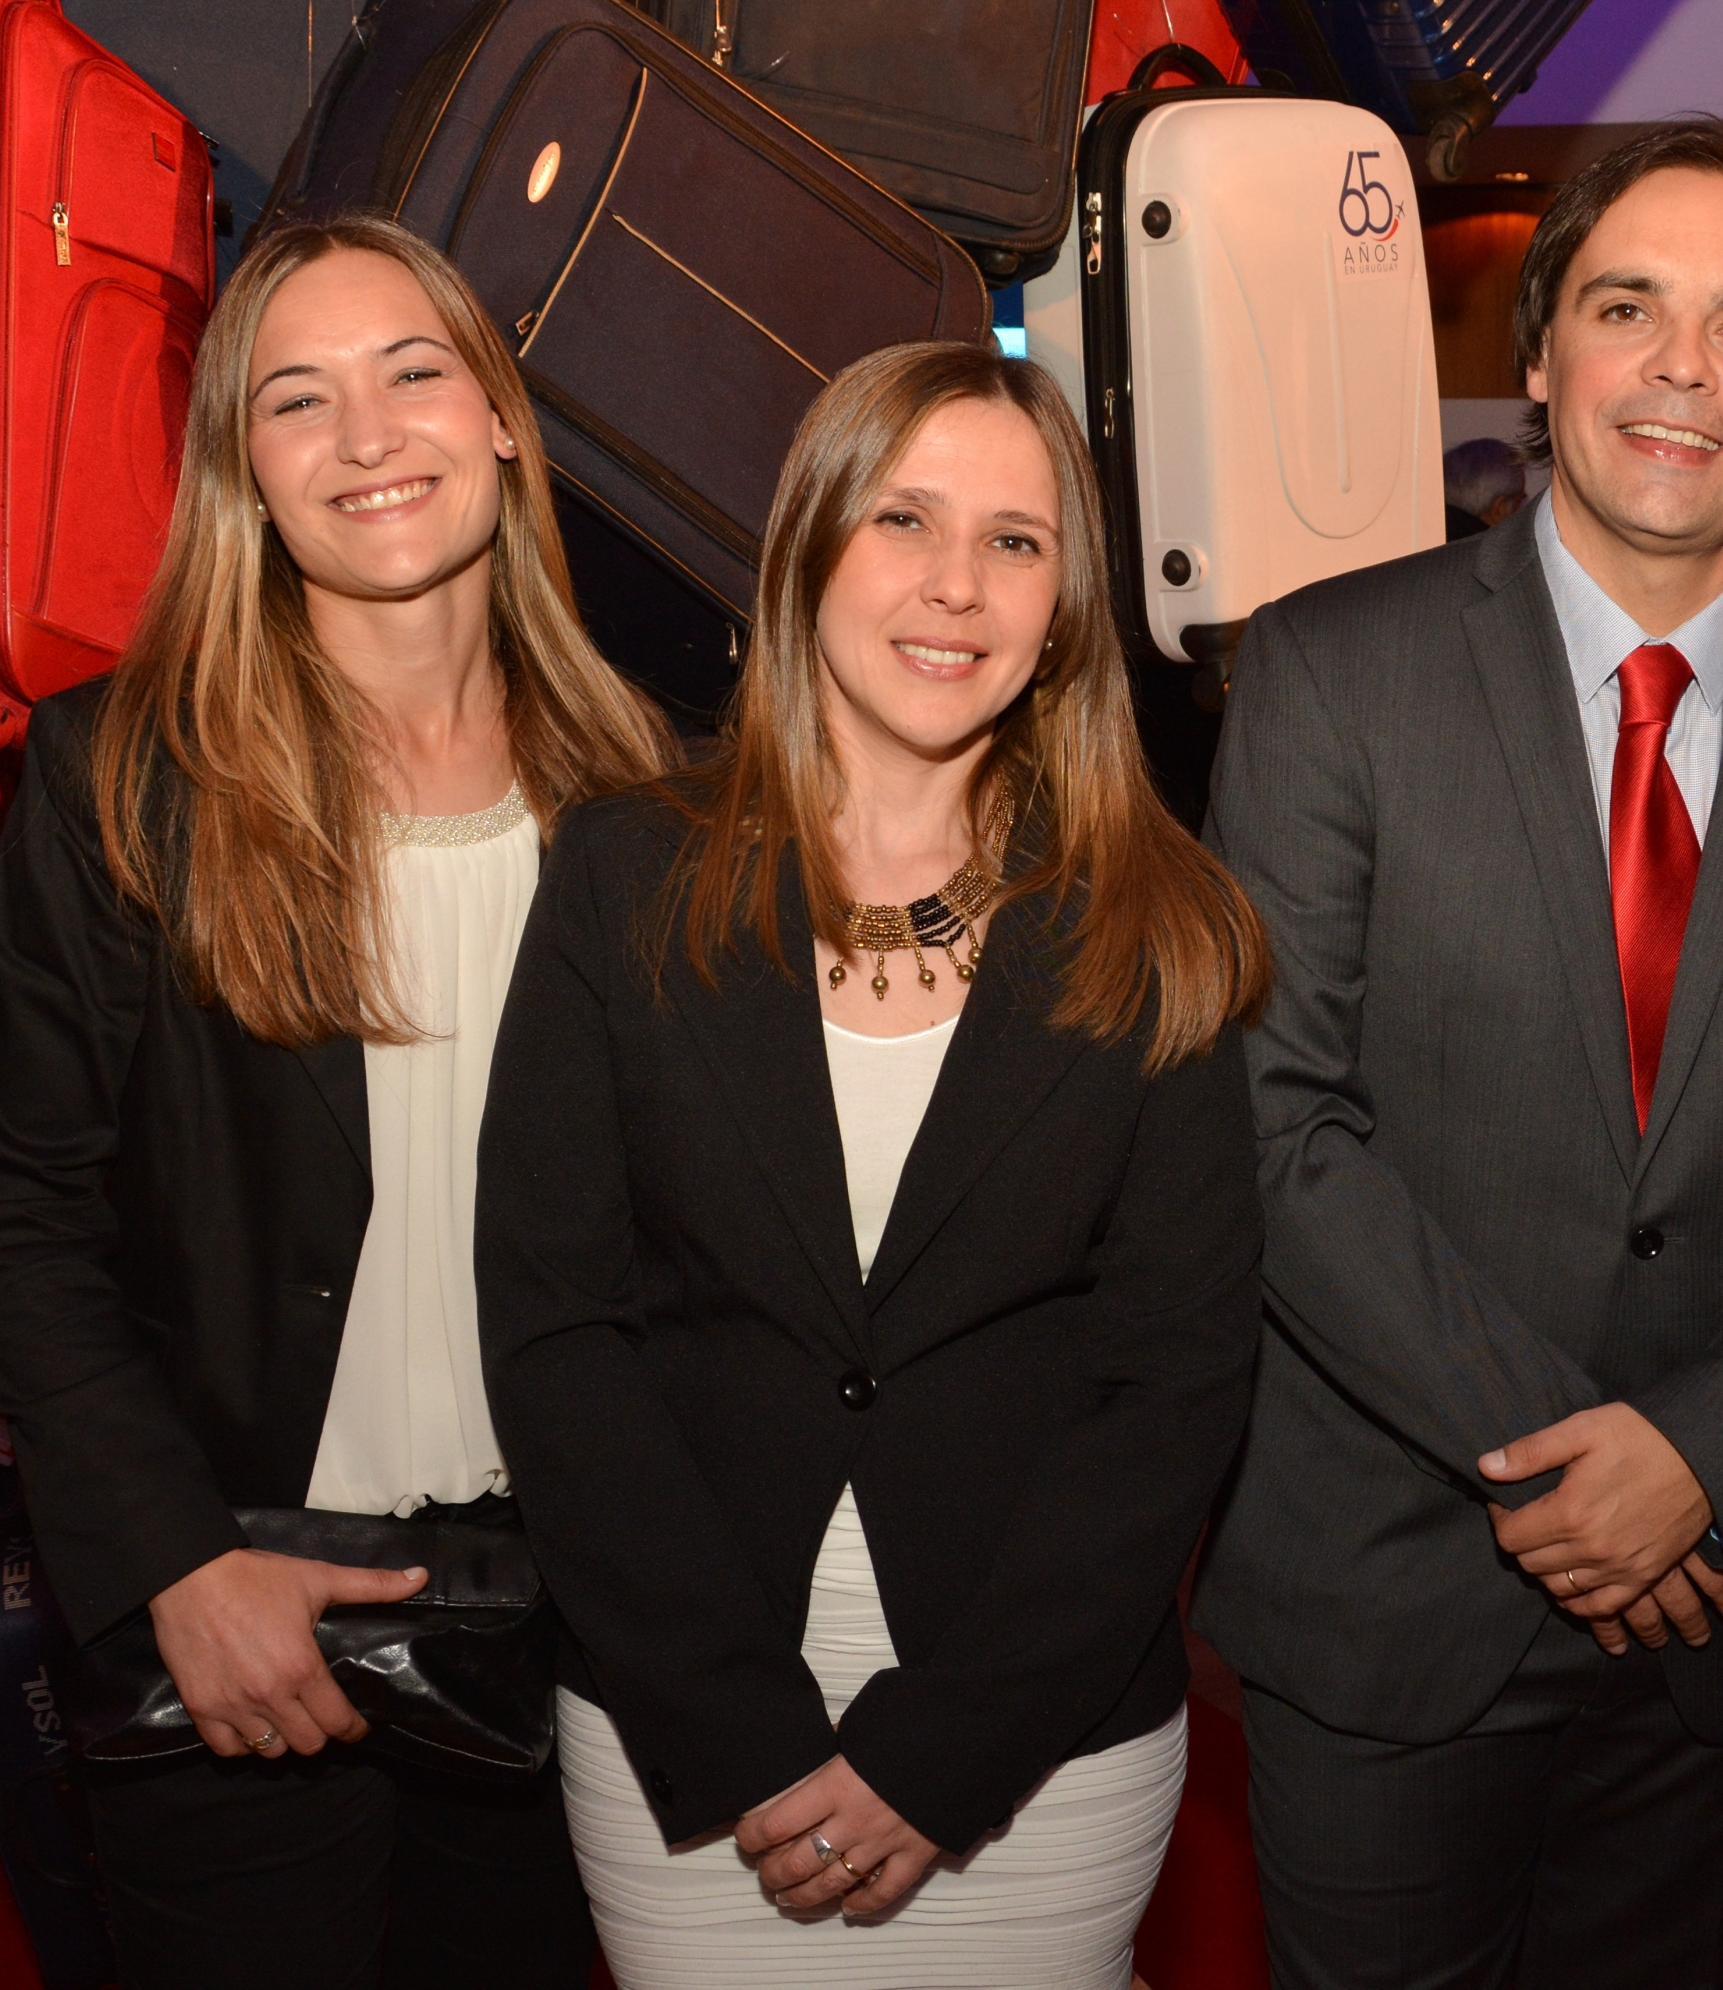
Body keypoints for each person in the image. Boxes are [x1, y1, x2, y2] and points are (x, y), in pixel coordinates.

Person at [1198, 117, 1723, 1988]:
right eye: (1630, 308)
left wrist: (1703, 1453)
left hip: (1720, 1604)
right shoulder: (1321, 673)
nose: (1684, 370)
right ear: (1541, 354)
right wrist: (1565, 1471)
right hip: (1390, 1598)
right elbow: (1274, 1121)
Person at [474, 340, 1269, 1988]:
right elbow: (561, 1334)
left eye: (1017, 541)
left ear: (1064, 608)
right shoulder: (625, 876)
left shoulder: (1163, 923)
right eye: (904, 519)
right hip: (688, 1733)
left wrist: (947, 1750)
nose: (955, 587)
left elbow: (1173, 1381)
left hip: (1038, 1744)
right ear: (810, 545)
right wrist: (736, 1725)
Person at [0, 214, 671, 1986]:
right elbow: (15, 1209)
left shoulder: (650, 791)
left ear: (501, 418)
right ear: (243, 475)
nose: (368, 438)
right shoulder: (133, 779)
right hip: (246, 1607)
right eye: (297, 400)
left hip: (581, 1610)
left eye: (415, 372)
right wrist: (178, 1564)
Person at [1445, 435, 1529, 540]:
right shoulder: (1492, 553)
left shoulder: (1427, 535)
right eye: (1519, 502)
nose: (1524, 513)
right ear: (1500, 509)